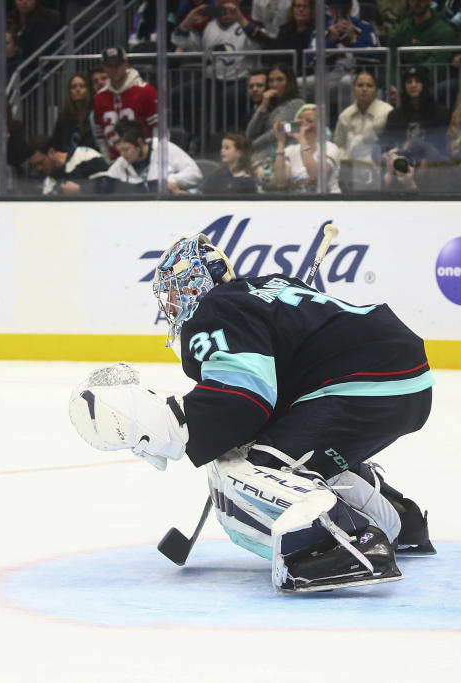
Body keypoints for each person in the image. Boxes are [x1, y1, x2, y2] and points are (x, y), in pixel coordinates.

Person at [68, 233, 435, 593]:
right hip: (401, 375)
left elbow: (241, 399)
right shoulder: (268, 288)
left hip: (361, 383)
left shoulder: (216, 308)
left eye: (176, 291)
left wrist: (174, 423)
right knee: (284, 452)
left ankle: (346, 546)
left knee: (247, 466)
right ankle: (398, 519)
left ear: (197, 282)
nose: (172, 304)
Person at [171, 0, 274, 132]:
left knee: (227, 96)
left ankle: (222, 135)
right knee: (178, 94)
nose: (226, 7)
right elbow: (182, 42)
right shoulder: (205, 25)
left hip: (242, 80)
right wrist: (188, 21)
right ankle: (195, 134)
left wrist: (240, 19)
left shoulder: (249, 22)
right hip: (212, 81)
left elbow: (265, 41)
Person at [98, 120, 203, 193]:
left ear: (139, 143)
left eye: (126, 149)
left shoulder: (163, 148)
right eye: (119, 150)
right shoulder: (122, 162)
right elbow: (106, 184)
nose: (122, 155)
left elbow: (195, 174)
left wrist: (171, 180)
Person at [92, 46, 158, 160]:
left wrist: (154, 157)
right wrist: (107, 161)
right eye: (109, 65)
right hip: (114, 161)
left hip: (144, 158)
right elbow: (100, 137)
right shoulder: (99, 97)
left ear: (126, 64)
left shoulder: (146, 91)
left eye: (118, 64)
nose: (114, 69)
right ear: (104, 67)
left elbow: (159, 130)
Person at [245, 63, 305, 187]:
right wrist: (263, 106)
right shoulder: (270, 107)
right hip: (264, 158)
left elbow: (278, 131)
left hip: (286, 158)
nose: (274, 84)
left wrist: (252, 145)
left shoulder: (296, 104)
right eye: (271, 81)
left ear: (289, 82)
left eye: (280, 79)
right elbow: (249, 133)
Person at [333, 69, 392, 191]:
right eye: (360, 85)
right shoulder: (345, 115)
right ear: (353, 90)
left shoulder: (387, 112)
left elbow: (392, 144)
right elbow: (339, 145)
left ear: (376, 91)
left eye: (369, 86)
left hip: (381, 169)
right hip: (351, 170)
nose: (364, 89)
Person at [380, 65, 450, 154]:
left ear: (424, 84)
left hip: (433, 162)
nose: (413, 85)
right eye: (409, 82)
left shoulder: (440, 113)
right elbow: (387, 142)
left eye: (418, 81)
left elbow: (442, 145)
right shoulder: (395, 115)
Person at [273, 103, 342, 192]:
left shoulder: (330, 148)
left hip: (327, 202)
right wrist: (281, 142)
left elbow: (316, 176)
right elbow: (280, 180)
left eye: (309, 121)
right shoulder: (290, 150)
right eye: (300, 122)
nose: (304, 125)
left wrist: (302, 140)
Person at [25, 135, 109, 195]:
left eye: (40, 163)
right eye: (35, 166)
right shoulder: (49, 182)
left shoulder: (85, 156)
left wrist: (82, 190)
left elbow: (110, 185)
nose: (39, 168)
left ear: (51, 152)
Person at [51, 73, 99, 154]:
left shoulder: (95, 113)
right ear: (69, 92)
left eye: (82, 86)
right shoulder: (64, 116)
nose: (78, 89)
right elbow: (57, 141)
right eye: (73, 87)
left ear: (88, 89)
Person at [270, 0, 315, 71]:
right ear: (292, 9)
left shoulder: (315, 31)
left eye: (305, 6)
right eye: (297, 6)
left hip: (307, 73)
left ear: (311, 10)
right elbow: (277, 55)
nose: (301, 9)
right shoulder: (284, 30)